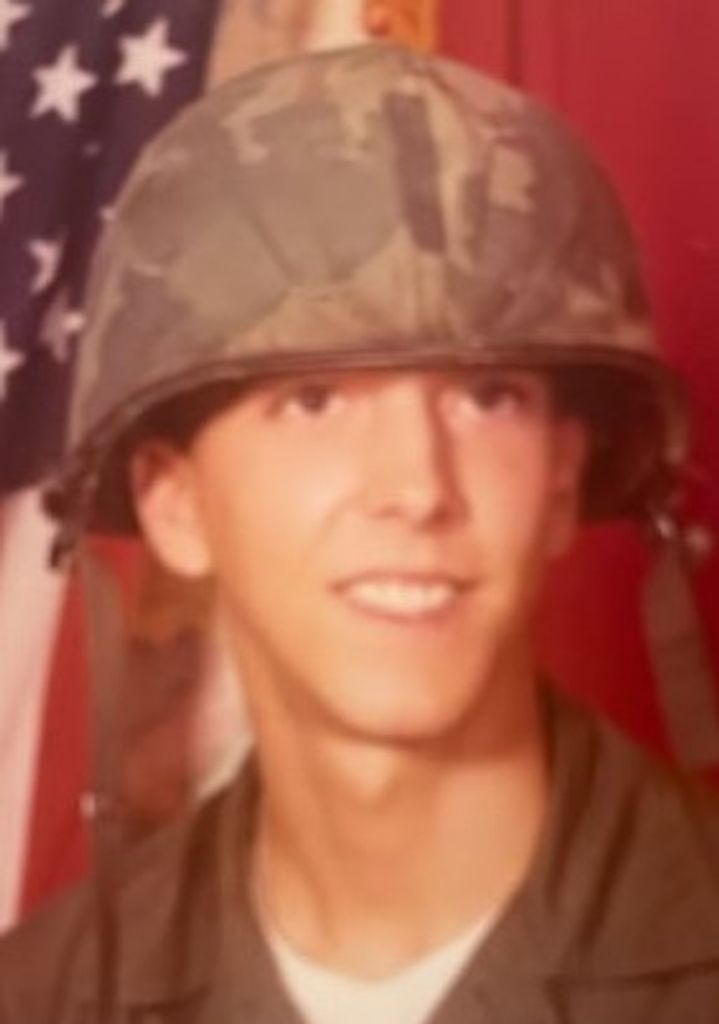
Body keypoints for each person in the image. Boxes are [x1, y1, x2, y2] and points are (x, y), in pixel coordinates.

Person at [2, 41, 719, 1024]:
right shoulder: (43, 998)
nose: (416, 487)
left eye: (486, 397)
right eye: (312, 400)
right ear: (175, 503)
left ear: (562, 477)